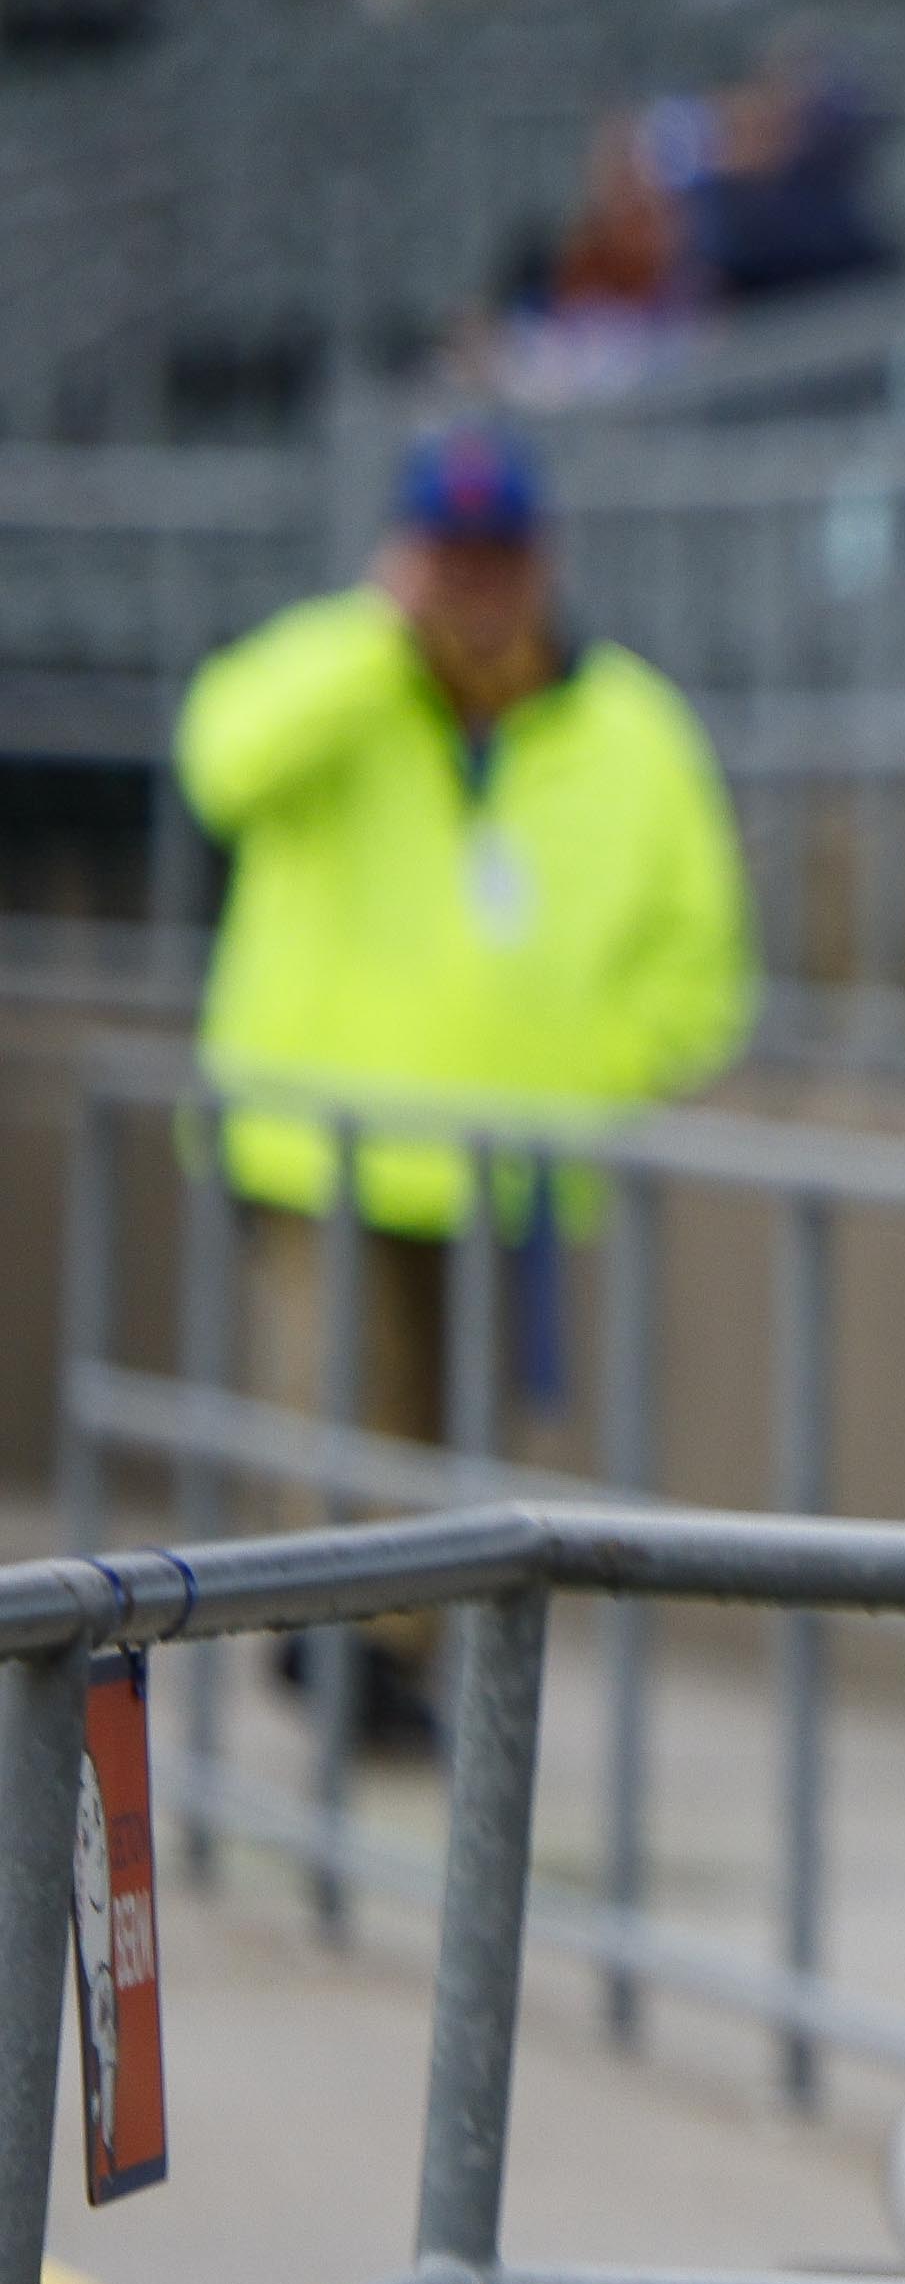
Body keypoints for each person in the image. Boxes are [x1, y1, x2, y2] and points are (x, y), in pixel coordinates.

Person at [176, 422, 756, 1742]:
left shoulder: (630, 726)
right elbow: (223, 763)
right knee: (330, 1407)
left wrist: (576, 1077)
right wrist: (376, 636)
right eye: (450, 555)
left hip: (509, 1159)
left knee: (459, 1442)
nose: (476, 585)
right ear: (406, 556)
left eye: (497, 556)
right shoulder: (336, 674)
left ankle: (396, 1660)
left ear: (542, 559)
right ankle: (348, 1655)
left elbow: (701, 959)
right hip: (319, 1142)